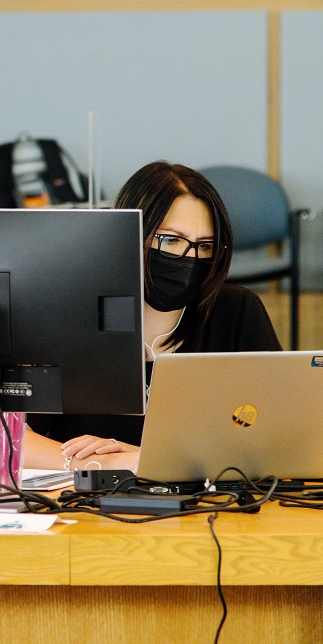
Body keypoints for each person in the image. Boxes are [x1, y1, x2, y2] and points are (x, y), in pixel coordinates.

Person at [22, 161, 281, 472]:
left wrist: (141, 459)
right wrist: (108, 464)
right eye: (171, 240)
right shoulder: (66, 313)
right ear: (130, 236)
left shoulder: (237, 311)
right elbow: (9, 441)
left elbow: (270, 440)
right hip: (83, 505)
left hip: (202, 510)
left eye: (205, 246)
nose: (191, 258)